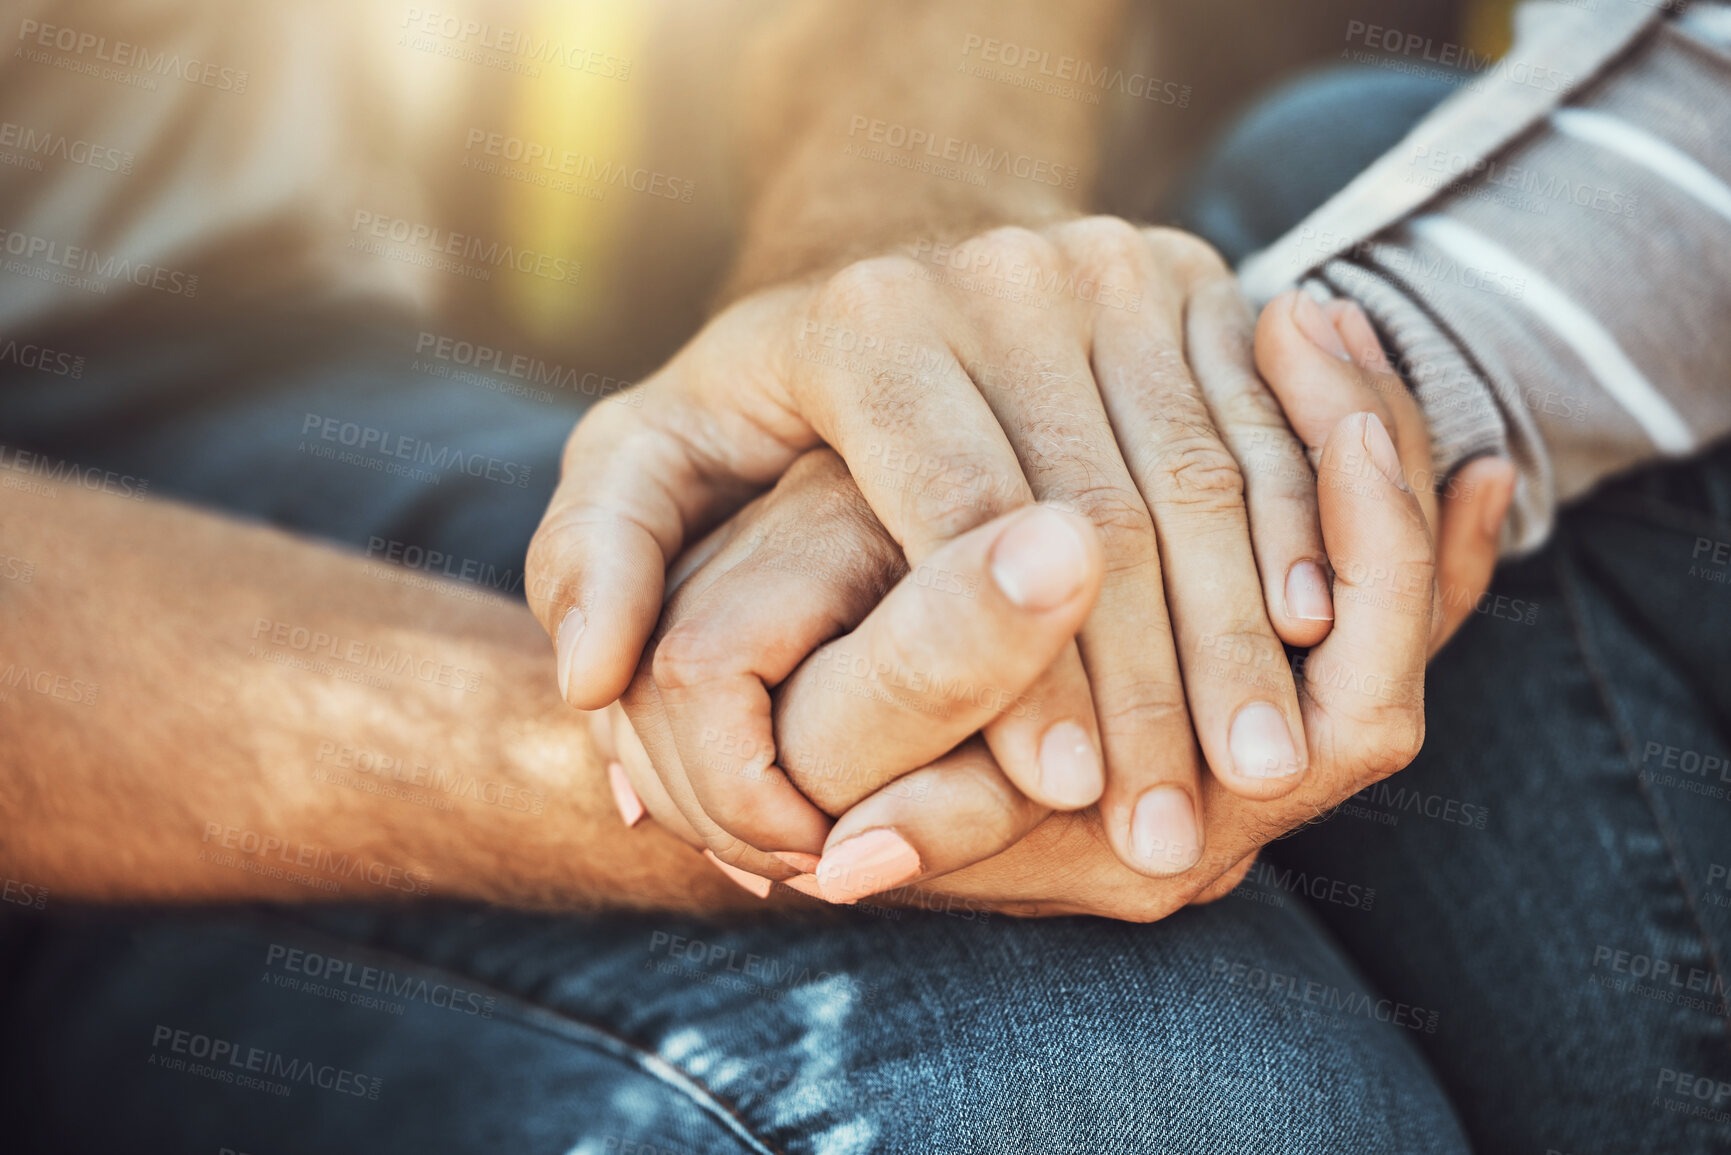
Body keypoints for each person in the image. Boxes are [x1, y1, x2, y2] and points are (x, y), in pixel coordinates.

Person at [2, 4, 1729, 1154]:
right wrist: (680, 763)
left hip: (259, 362)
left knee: (1337, 193)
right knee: (1139, 1114)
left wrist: (892, 331)